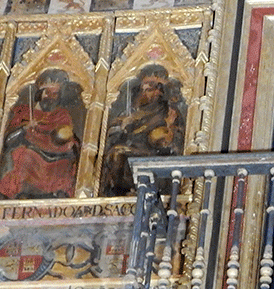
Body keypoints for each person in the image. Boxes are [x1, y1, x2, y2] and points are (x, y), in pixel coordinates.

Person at [101, 64, 187, 196]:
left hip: (153, 154)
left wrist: (168, 128)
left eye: (155, 88)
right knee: (115, 154)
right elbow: (113, 133)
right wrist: (122, 127)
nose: (152, 92)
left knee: (119, 153)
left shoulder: (167, 111)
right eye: (147, 88)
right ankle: (118, 193)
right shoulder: (132, 113)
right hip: (133, 149)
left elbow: (176, 139)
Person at [0, 69, 83, 199]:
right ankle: (22, 193)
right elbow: (7, 140)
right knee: (25, 156)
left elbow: (71, 138)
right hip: (32, 151)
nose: (51, 97)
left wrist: (71, 143)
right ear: (39, 94)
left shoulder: (62, 115)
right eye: (48, 93)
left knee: (66, 164)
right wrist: (25, 128)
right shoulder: (24, 112)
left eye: (55, 94)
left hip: (57, 154)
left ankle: (57, 195)